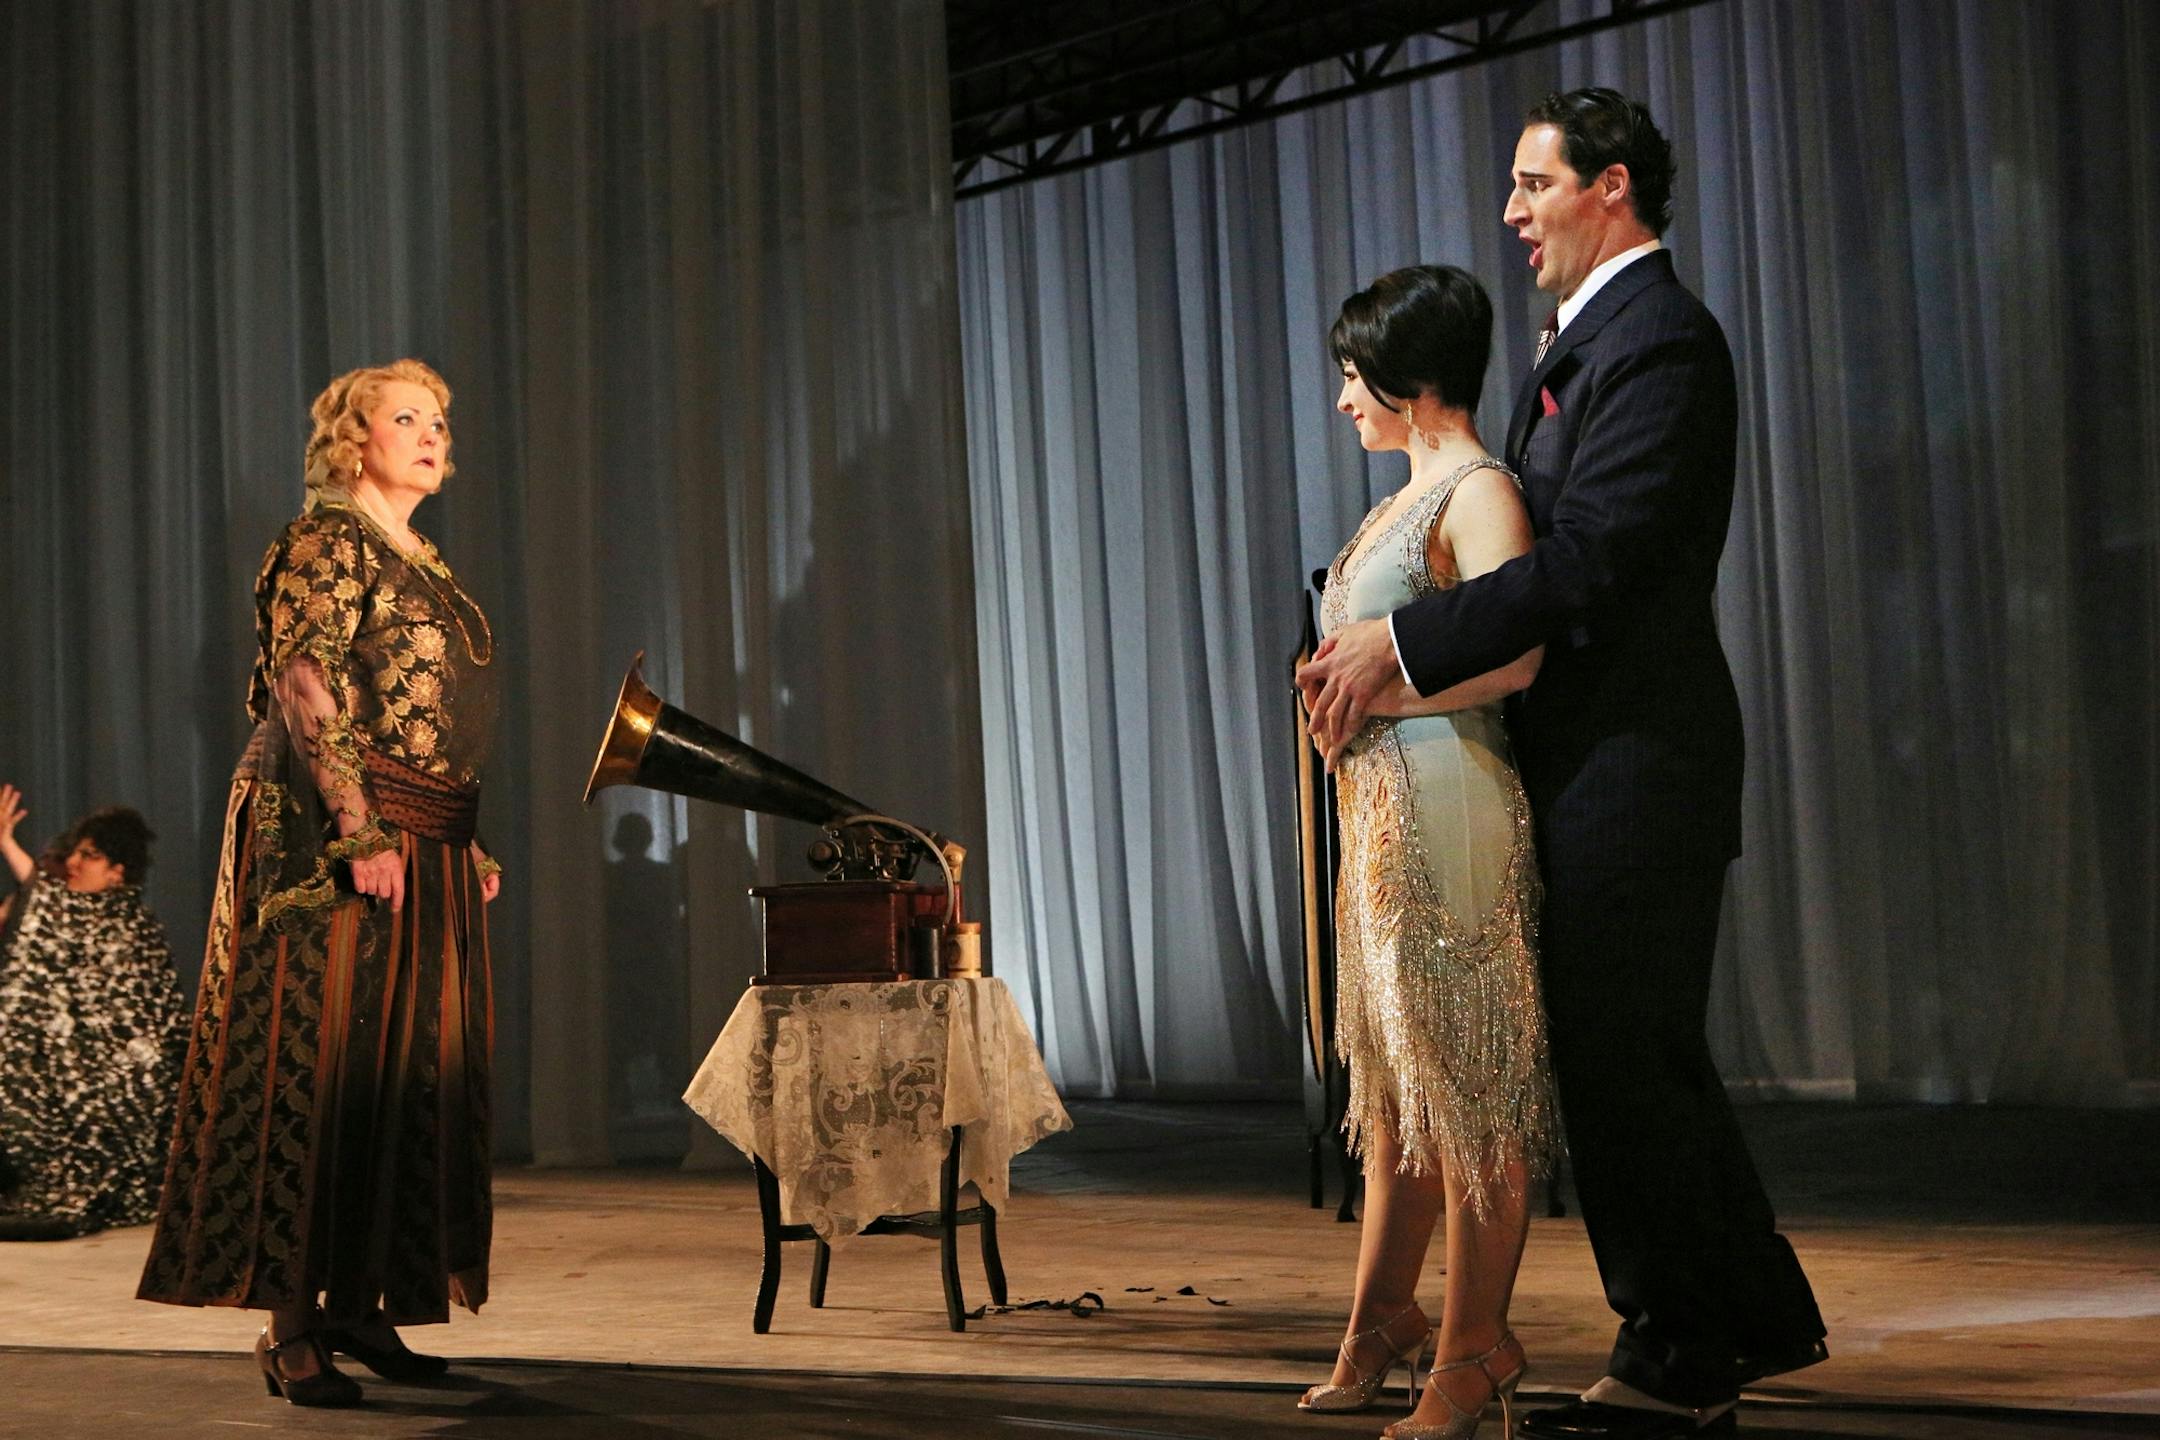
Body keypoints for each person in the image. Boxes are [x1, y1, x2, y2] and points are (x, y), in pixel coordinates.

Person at [1299, 90, 1827, 1438]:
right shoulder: (1603, 341)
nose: (1512, 212)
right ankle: (1717, 1326)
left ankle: (1686, 1345)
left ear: (1610, 189)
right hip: (1601, 766)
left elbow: (1593, 558)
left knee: (1621, 1061)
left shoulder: (1660, 341)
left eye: (1534, 185)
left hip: (1638, 767)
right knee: (1626, 1061)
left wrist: (1396, 650)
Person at [138, 359, 506, 1409]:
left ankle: (362, 1305)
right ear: (355, 441)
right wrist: (357, 826)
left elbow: (431, 722)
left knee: (403, 1072)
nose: (432, 433)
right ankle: (291, 1325)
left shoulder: (420, 560)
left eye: (439, 418)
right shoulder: (327, 540)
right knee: (320, 1059)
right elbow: (306, 683)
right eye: (406, 418)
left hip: (416, 832)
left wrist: (457, 843)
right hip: (321, 829)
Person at [1295, 265, 1554, 1440]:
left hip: (1450, 807)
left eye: (1355, 374)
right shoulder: (1401, 498)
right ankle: (1383, 1318)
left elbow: (1520, 657)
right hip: (1381, 819)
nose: (1345, 398)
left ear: (1411, 374)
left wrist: (1379, 704)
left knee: (1471, 1086)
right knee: (1395, 1090)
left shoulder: (1479, 488)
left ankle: (1472, 1350)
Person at [0, 791, 185, 1240]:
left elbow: (146, 1021)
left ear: (118, 872)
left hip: (122, 1084)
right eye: (77, 853)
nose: (76, 864)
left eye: (91, 856)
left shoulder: (133, 926)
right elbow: (43, 900)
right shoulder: (60, 911)